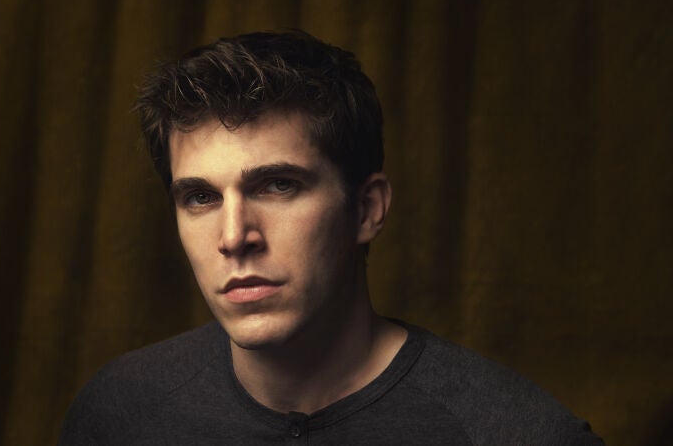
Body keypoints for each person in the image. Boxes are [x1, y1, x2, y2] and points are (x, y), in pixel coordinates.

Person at [59, 30, 602, 445]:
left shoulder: (515, 433)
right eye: (201, 197)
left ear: (366, 210)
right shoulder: (119, 414)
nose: (234, 236)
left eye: (278, 185)